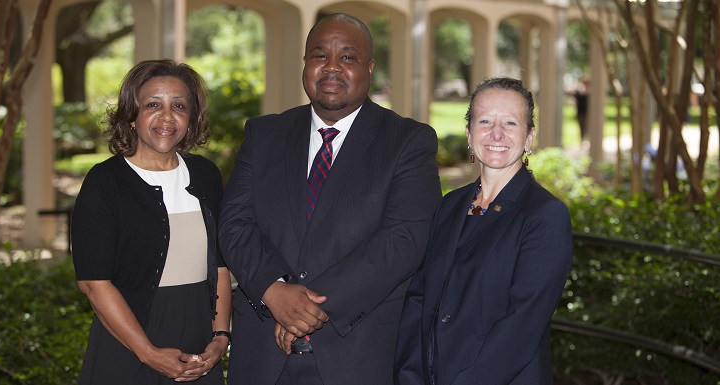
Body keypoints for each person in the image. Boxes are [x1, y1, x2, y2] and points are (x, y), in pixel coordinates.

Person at [218, 13, 442, 385]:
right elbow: (234, 224)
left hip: (359, 356)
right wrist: (274, 292)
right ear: (305, 64)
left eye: (348, 57)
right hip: (263, 355)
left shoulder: (407, 141)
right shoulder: (264, 135)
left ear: (369, 68)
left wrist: (308, 309)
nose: (332, 67)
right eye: (319, 55)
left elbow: (403, 240)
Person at [394, 77, 573, 385]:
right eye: (485, 120)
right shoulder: (450, 205)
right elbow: (419, 299)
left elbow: (522, 325)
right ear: (469, 133)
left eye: (511, 123)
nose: (497, 133)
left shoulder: (545, 216)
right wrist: (409, 376)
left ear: (529, 137)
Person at [71, 59, 231, 384]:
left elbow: (221, 266)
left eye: (179, 106)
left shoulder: (206, 175)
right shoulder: (106, 182)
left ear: (191, 117)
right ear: (132, 116)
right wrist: (148, 352)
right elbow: (93, 283)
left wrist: (220, 338)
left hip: (199, 353)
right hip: (129, 349)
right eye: (153, 105)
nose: (167, 117)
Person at [573, 77, 589, 143]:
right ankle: (583, 140)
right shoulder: (579, 92)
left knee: (587, 126)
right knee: (581, 126)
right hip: (580, 112)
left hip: (587, 113)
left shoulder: (590, 92)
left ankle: (587, 139)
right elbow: (574, 99)